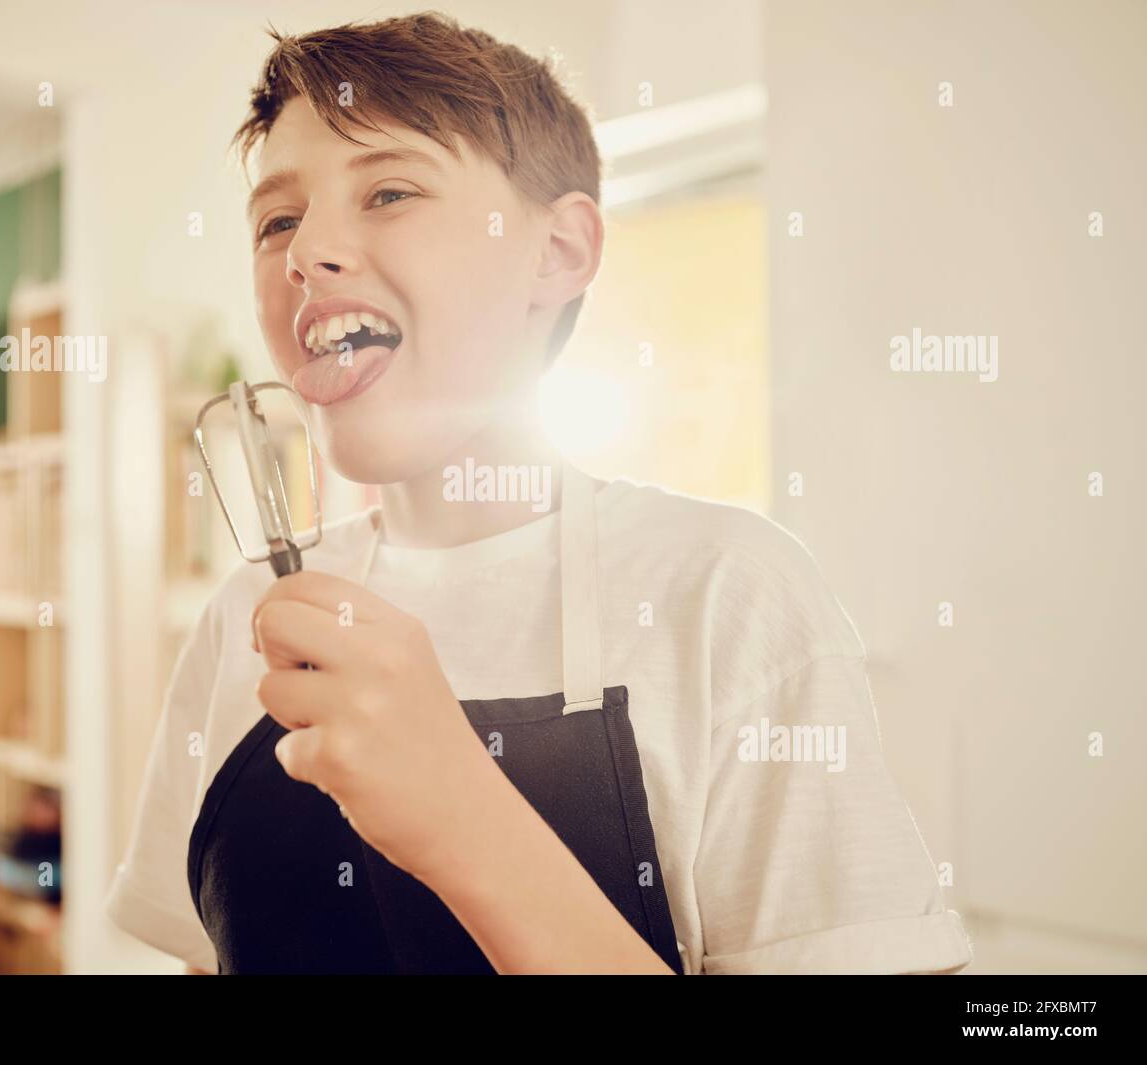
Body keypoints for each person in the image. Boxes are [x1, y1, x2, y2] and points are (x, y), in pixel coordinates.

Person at [104, 11, 973, 975]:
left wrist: (464, 817)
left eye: (389, 190)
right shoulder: (244, 619)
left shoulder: (728, 595)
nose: (306, 252)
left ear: (557, 253)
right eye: (277, 220)